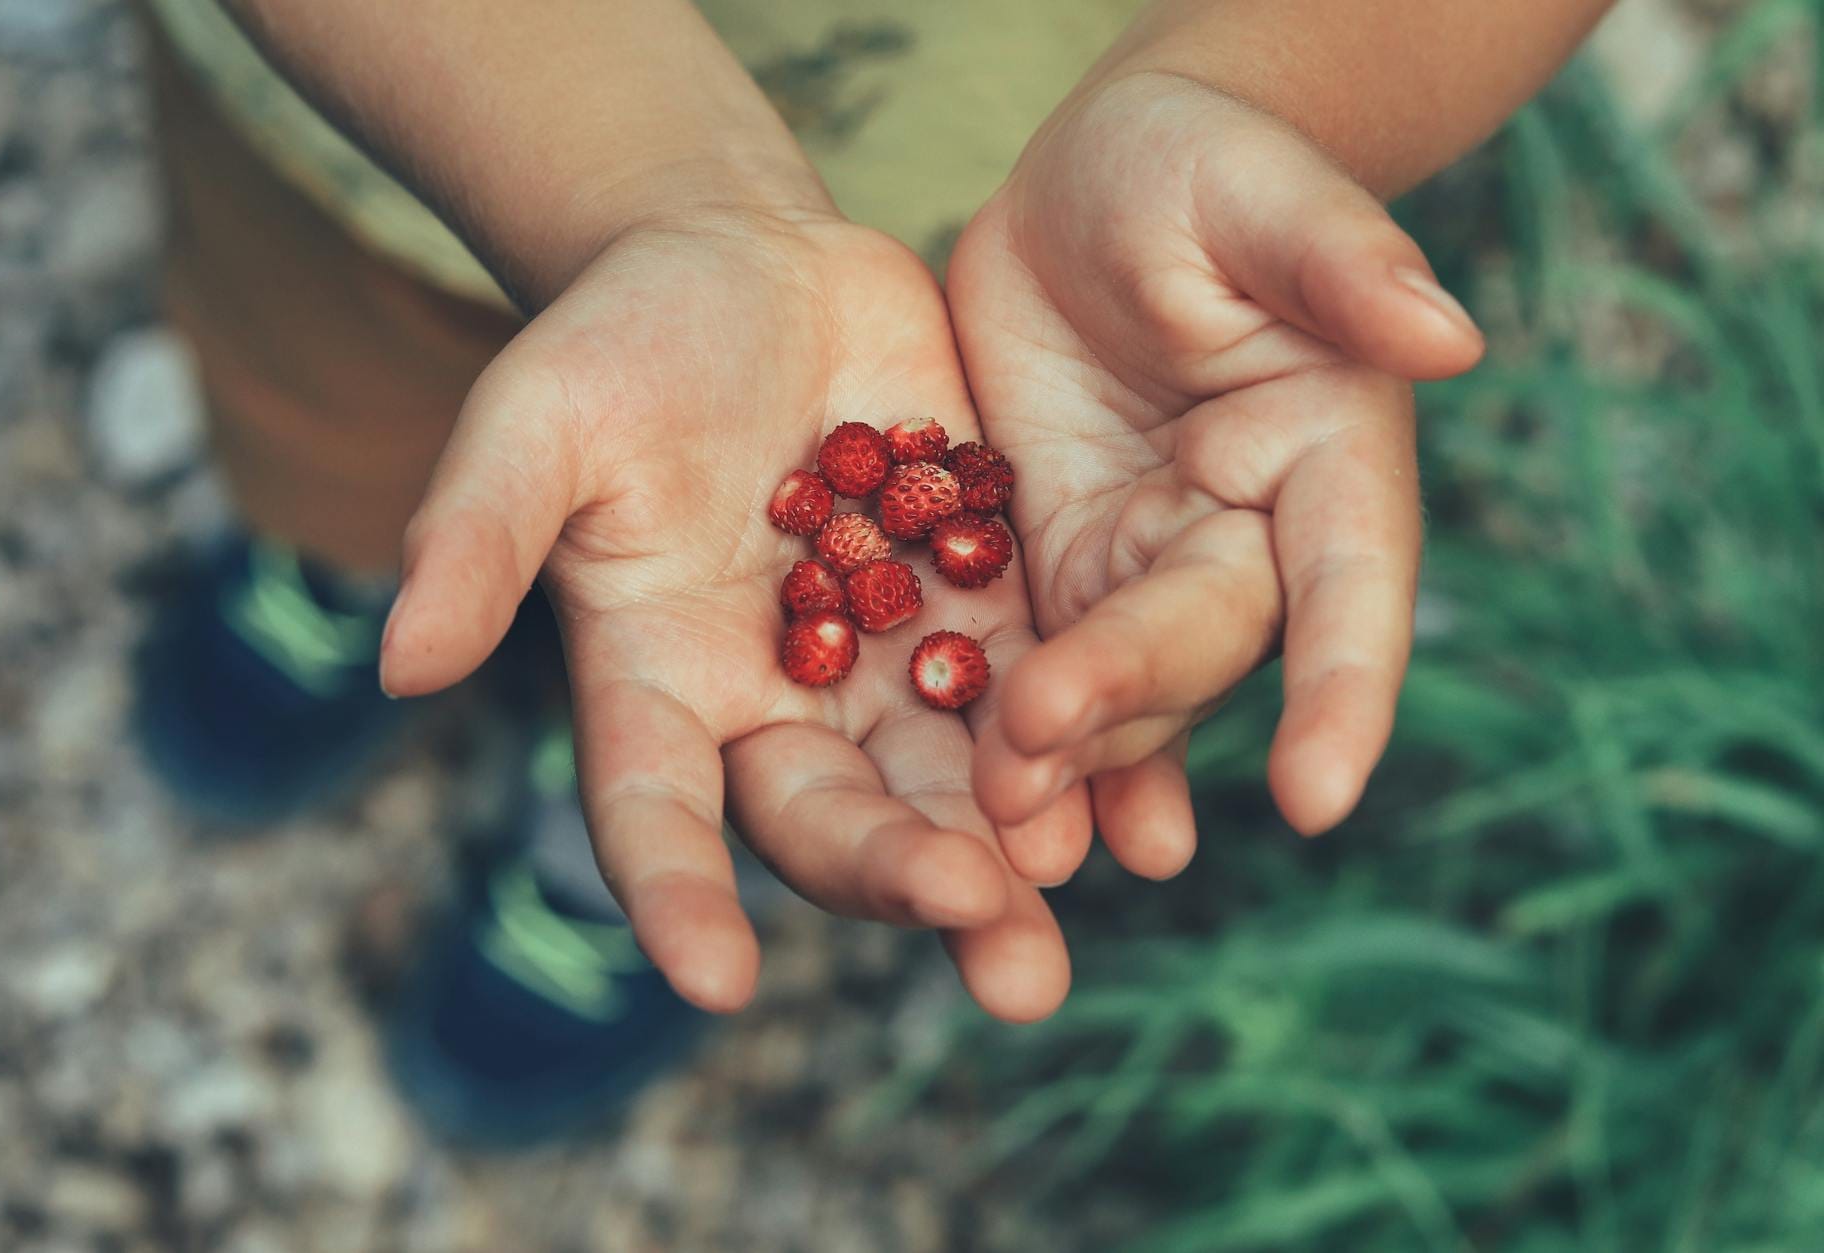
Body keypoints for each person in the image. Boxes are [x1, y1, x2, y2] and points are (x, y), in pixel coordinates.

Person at [132, 0, 1614, 1145]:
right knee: (339, 408)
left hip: (1010, 192)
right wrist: (653, 191)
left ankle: (613, 835)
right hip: (388, 104)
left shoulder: (925, 460)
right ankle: (331, 548)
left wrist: (1260, 95)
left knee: (709, 672)